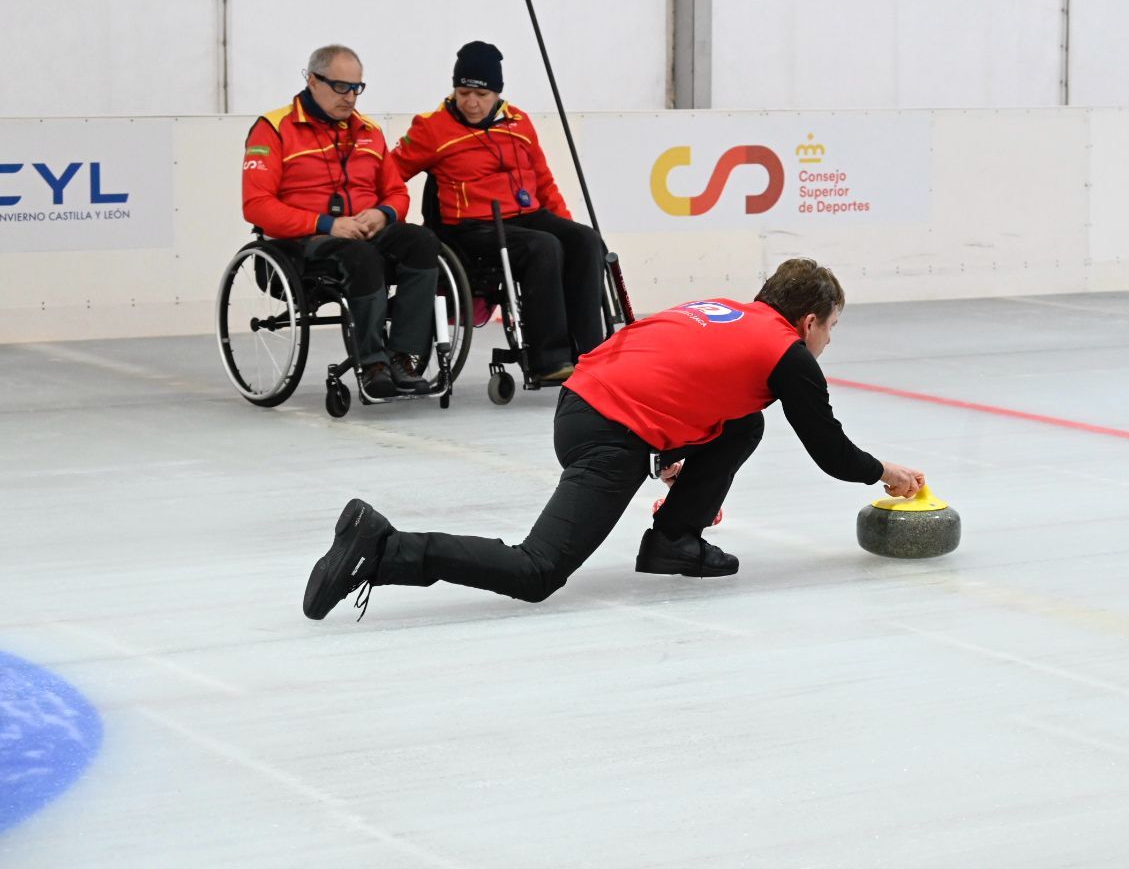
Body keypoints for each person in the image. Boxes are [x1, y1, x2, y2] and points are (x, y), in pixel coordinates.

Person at [301, 258, 926, 620]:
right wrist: (884, 473)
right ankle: (384, 547)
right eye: (832, 327)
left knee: (746, 421)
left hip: (587, 401)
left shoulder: (723, 311)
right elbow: (828, 449)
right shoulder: (787, 352)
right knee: (536, 570)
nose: (829, 341)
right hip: (609, 430)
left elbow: (671, 374)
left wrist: (676, 450)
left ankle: (674, 542)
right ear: (809, 320)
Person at [392, 41, 605, 383]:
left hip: (525, 215)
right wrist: (390, 216)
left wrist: (566, 226)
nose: (471, 103)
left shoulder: (519, 122)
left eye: (482, 95)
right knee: (542, 247)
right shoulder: (432, 128)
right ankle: (548, 360)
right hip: (471, 226)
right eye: (463, 93)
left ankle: (591, 351)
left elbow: (543, 181)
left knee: (585, 240)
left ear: (498, 94)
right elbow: (390, 174)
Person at [242, 45, 442, 399]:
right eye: (340, 87)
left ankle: (401, 356)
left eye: (357, 88)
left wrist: (383, 214)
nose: (350, 97)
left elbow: (397, 193)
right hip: (302, 243)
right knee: (359, 257)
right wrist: (326, 224)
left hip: (363, 234)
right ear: (312, 80)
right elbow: (256, 206)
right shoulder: (272, 129)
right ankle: (373, 364)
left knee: (422, 241)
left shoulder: (369, 131)